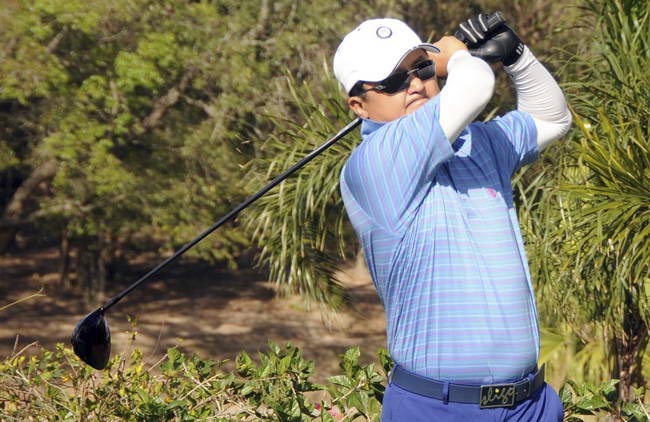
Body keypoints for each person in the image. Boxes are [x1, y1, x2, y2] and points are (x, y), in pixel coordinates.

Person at [332, 13, 572, 421]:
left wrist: (518, 56)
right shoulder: (372, 162)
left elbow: (553, 118)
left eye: (421, 68)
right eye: (392, 81)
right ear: (359, 106)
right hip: (438, 409)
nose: (413, 84)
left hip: (531, 405)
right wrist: (453, 56)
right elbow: (476, 86)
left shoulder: (476, 142)